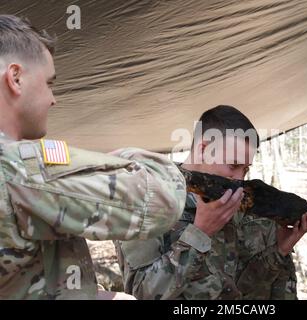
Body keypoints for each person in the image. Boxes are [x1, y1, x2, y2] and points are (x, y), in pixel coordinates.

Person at [0, 14, 186, 299]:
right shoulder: (20, 168)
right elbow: (162, 202)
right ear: (15, 78)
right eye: (50, 83)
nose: (53, 98)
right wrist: (119, 159)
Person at [116, 105, 307, 299]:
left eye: (245, 169)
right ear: (204, 149)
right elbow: (139, 293)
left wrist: (279, 250)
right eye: (233, 165)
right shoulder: (146, 196)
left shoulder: (230, 200)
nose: (239, 178)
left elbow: (236, 288)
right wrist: (199, 233)